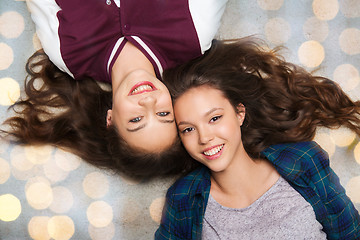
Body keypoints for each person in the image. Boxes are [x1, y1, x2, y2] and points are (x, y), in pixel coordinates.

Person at [155, 39, 360, 239]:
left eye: (215, 118)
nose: (205, 137)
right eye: (188, 129)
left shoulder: (303, 161)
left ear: (239, 113)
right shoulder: (183, 198)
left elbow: (351, 233)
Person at [1, 0, 227, 178]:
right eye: (163, 114)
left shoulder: (67, 54)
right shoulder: (195, 32)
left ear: (110, 119)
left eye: (136, 120)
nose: (148, 102)